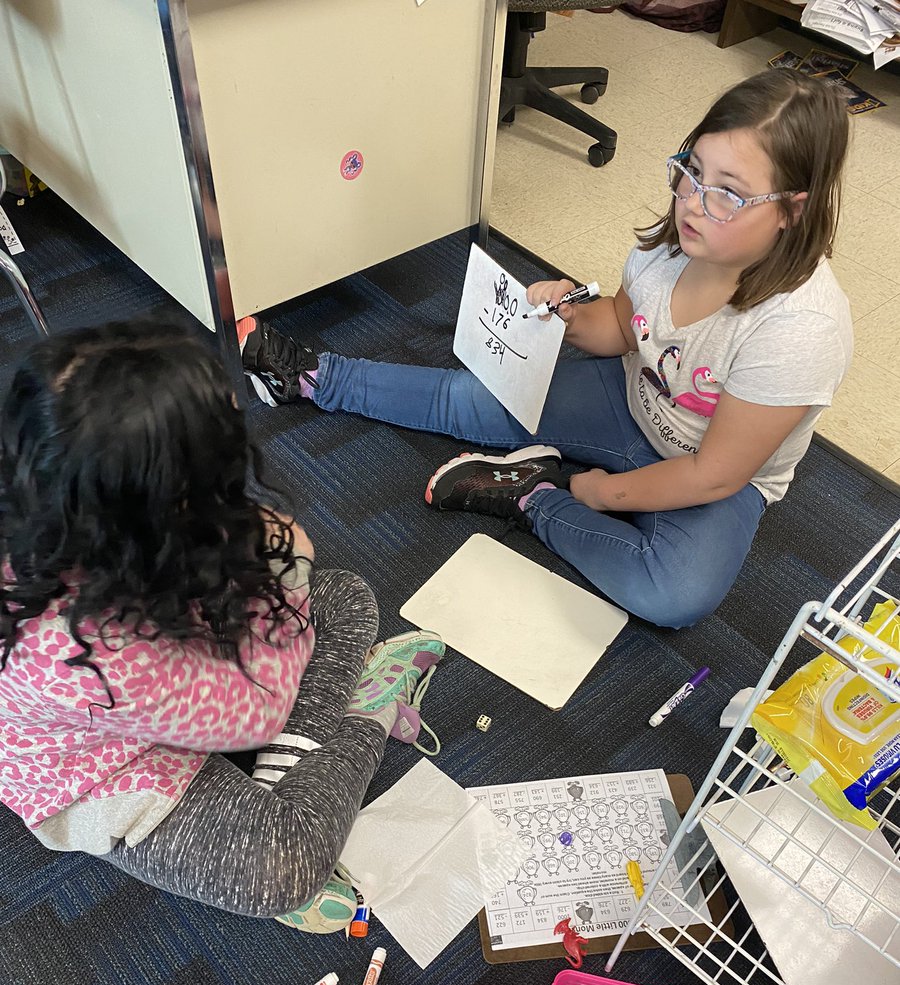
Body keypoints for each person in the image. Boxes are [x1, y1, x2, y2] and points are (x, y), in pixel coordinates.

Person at [241, 70, 852, 629]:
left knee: (676, 597)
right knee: (470, 399)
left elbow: (715, 475)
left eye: (728, 193)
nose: (692, 201)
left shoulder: (800, 328)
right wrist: (565, 315)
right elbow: (621, 328)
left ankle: (530, 497)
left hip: (715, 470)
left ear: (792, 212)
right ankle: (314, 376)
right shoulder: (677, 246)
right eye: (691, 170)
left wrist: (597, 494)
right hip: (631, 399)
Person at [0, 321, 444, 933]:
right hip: (110, 772)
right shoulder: (101, 659)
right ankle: (363, 717)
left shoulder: (57, 512)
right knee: (286, 865)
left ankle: (295, 760)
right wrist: (285, 569)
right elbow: (258, 711)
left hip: (139, 646)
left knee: (344, 596)